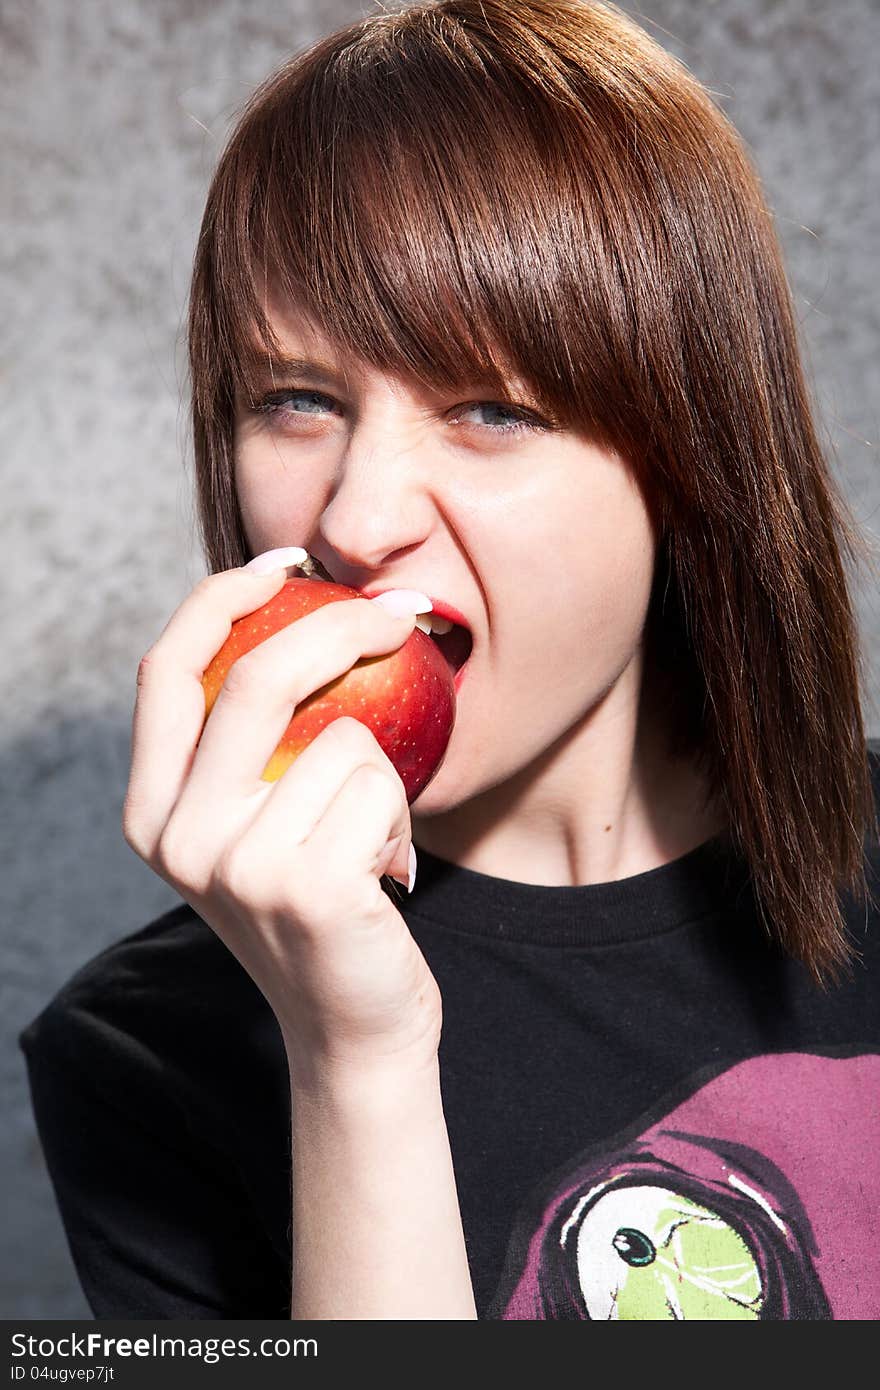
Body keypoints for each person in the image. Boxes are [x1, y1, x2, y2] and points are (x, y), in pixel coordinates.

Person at [20, 0, 880, 1320]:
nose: (358, 520)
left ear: (690, 453)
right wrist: (352, 1061)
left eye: (490, 407)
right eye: (297, 398)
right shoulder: (145, 1059)